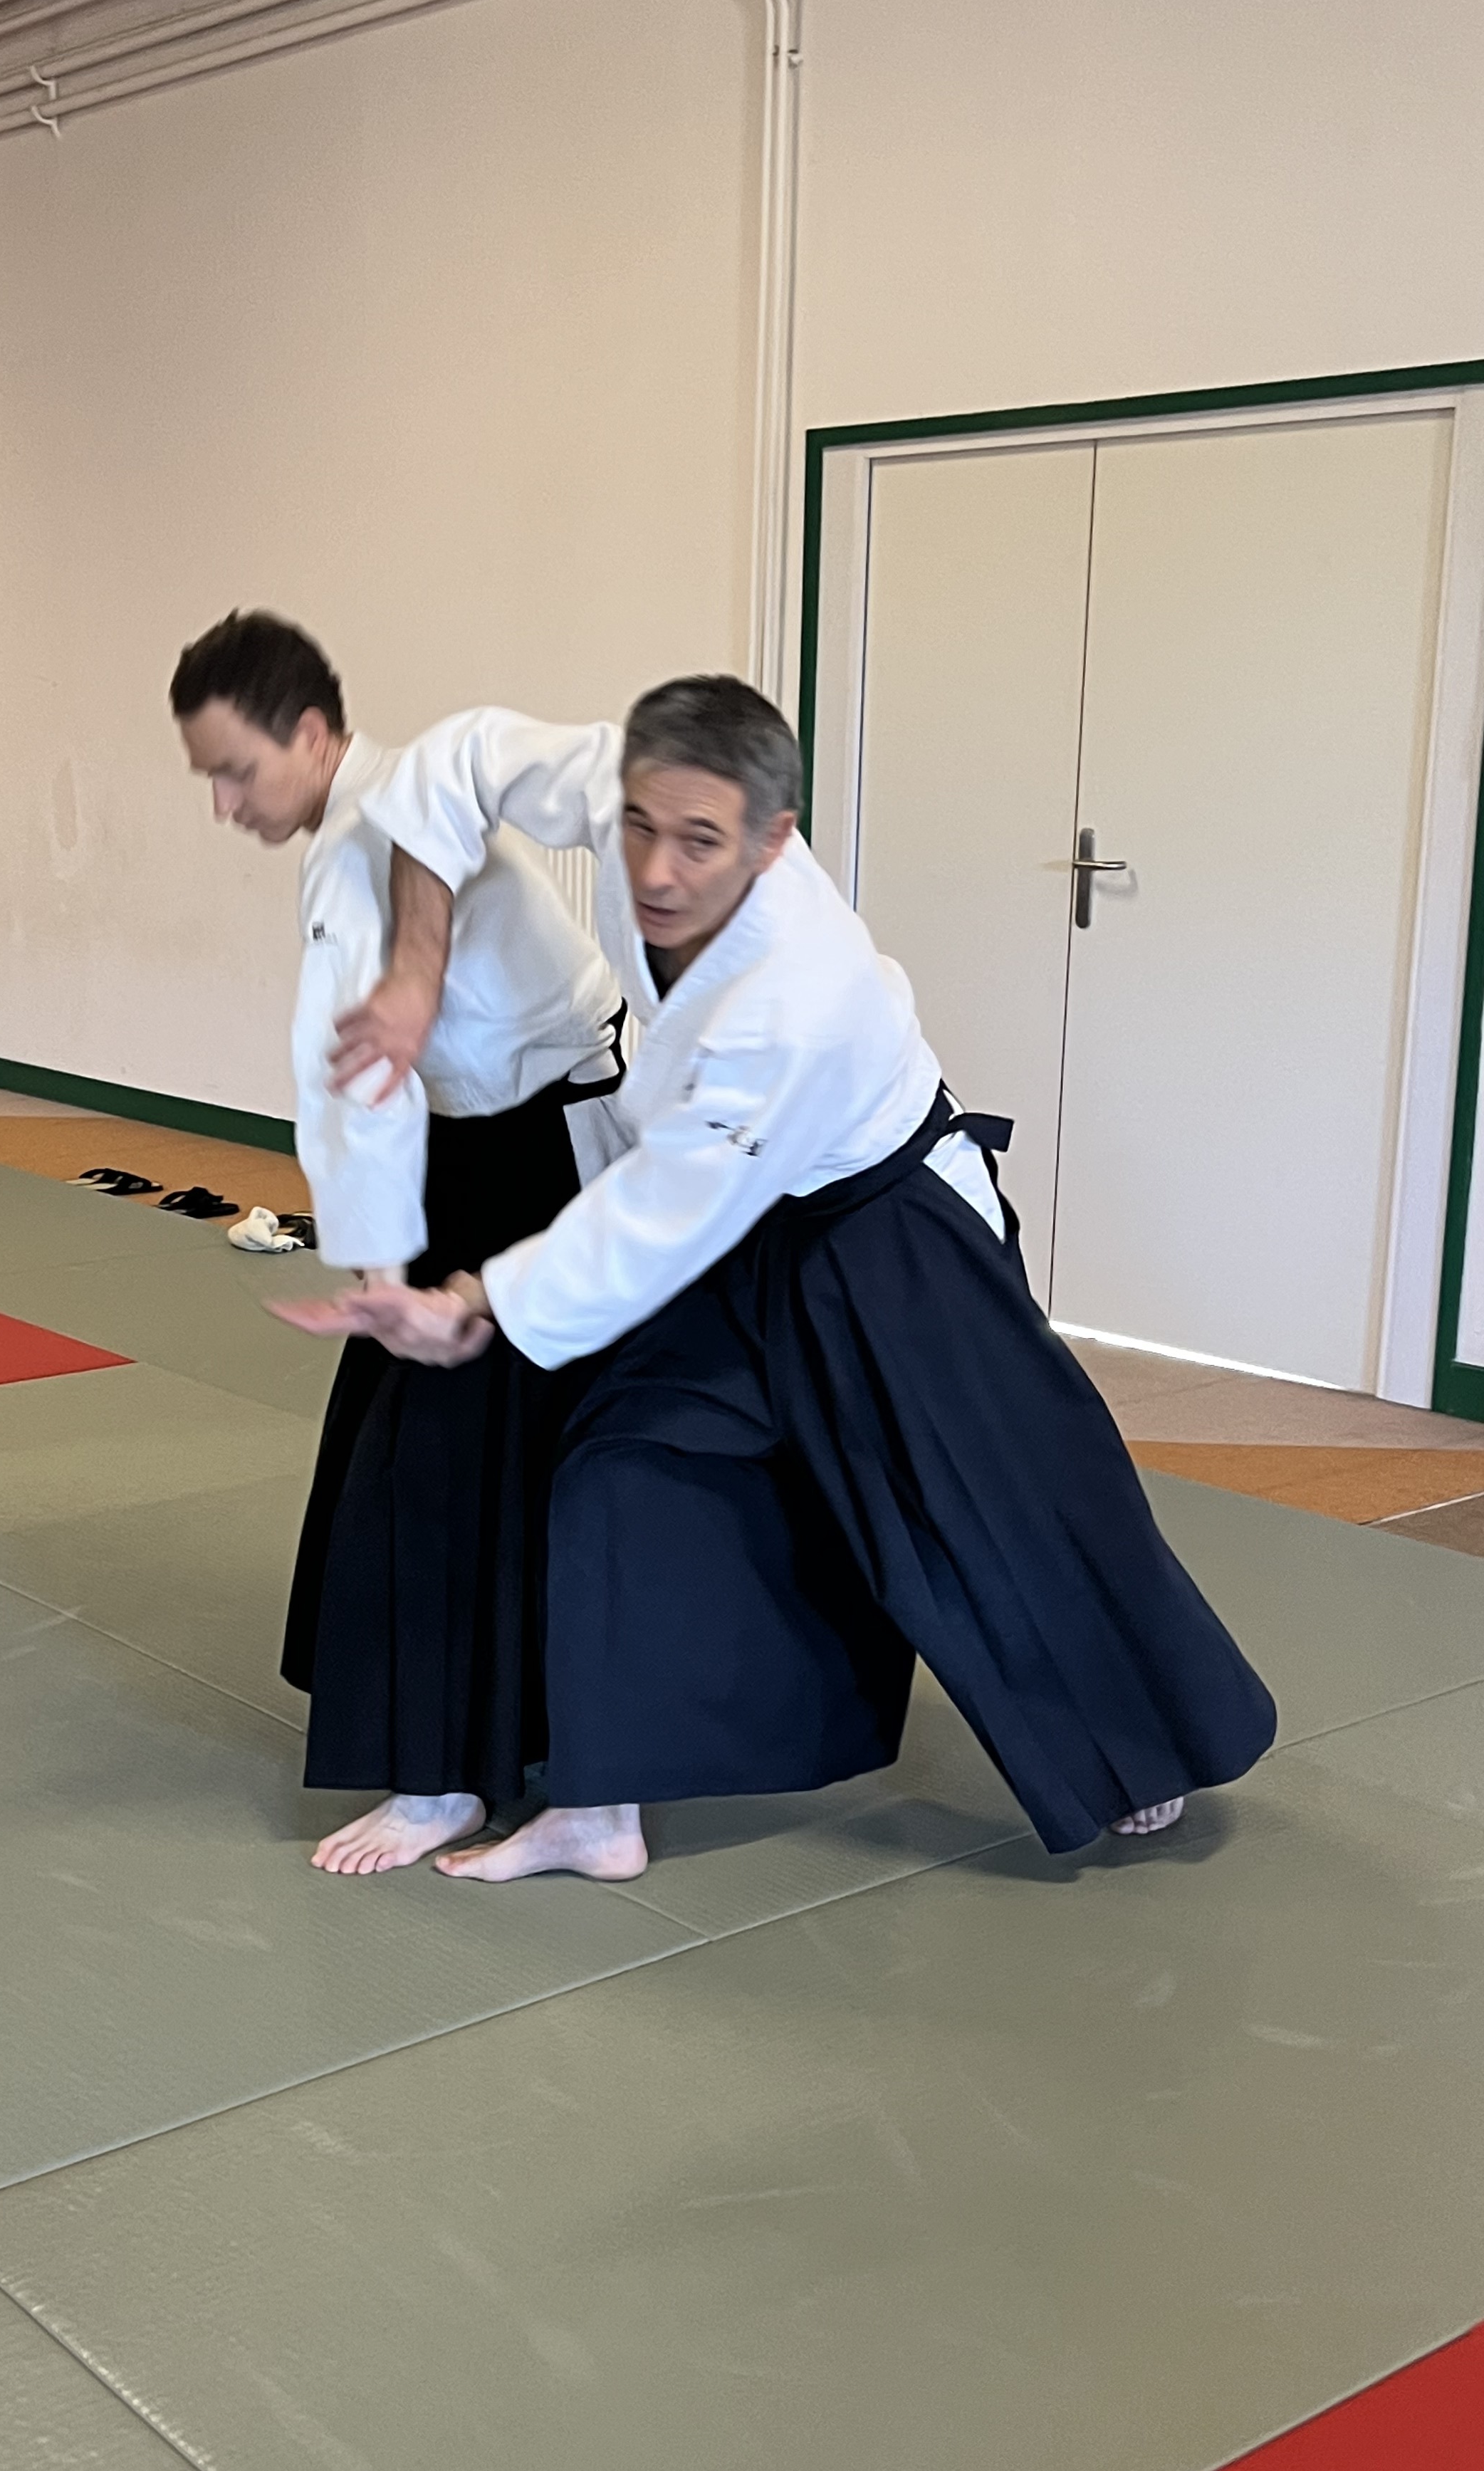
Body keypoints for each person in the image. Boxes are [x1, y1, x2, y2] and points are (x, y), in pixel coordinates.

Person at [286, 679, 1277, 1876]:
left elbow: (663, 1214)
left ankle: (1141, 1741)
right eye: (639, 827)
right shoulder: (623, 789)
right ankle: (599, 1806)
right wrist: (414, 966)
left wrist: (474, 1296)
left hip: (885, 1233)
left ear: (772, 837)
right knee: (623, 1459)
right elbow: (453, 761)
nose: (655, 870)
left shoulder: (800, 995)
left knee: (994, 1495)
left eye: (698, 842)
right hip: (748, 1225)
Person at [171, 612, 626, 1871]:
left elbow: (355, 1075)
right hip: (508, 1146)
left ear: (313, 734)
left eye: (236, 771)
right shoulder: (389, 808)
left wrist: (382, 1276)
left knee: (429, 1464)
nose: (224, 804)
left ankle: (442, 1781)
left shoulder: (369, 838)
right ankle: (526, 1753)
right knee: (489, 1461)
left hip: (533, 1159)